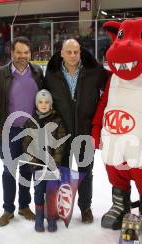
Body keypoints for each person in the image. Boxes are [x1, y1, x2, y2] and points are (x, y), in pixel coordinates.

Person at [44, 39, 107, 224]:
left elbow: (113, 86)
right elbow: (43, 100)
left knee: (86, 171)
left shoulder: (94, 72)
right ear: (61, 53)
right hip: (61, 133)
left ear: (80, 52)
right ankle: (63, 206)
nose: (72, 55)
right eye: (69, 52)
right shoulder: (52, 74)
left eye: (76, 52)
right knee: (62, 171)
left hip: (85, 131)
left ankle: (85, 207)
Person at [0, 36, 44, 227]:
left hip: (31, 131)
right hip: (9, 131)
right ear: (12, 53)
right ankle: (8, 209)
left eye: (26, 52)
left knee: (27, 169)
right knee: (9, 170)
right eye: (19, 52)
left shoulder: (37, 72)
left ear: (30, 54)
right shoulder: (1, 74)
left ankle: (24, 206)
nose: (23, 56)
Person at [21, 89, 67, 232]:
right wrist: (33, 159)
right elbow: (26, 142)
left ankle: (51, 218)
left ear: (51, 104)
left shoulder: (57, 120)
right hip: (37, 165)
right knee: (39, 191)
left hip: (51, 165)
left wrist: (55, 162)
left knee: (51, 192)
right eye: (40, 102)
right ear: (36, 104)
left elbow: (60, 143)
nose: (43, 104)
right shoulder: (31, 121)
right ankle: (39, 219)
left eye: (47, 102)